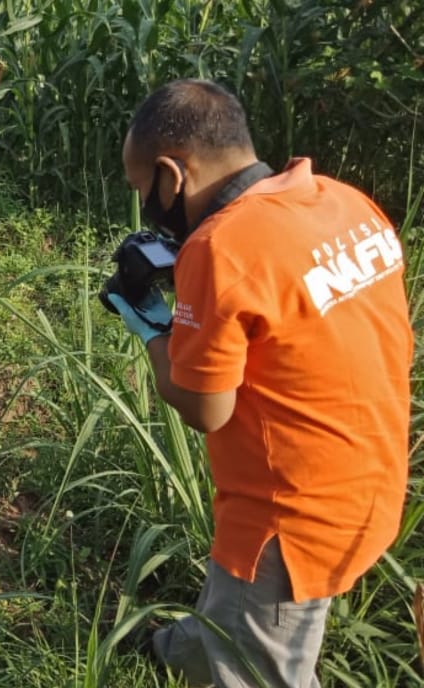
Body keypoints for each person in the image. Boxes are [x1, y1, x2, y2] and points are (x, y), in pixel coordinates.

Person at [106, 79, 411, 687]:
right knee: (236, 611)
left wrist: (151, 329)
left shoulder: (222, 247)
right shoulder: (344, 202)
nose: (146, 202)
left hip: (286, 525)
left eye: (143, 188)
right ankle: (186, 646)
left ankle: (225, 655)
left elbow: (205, 407)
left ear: (173, 175)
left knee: (262, 662)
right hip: (371, 476)